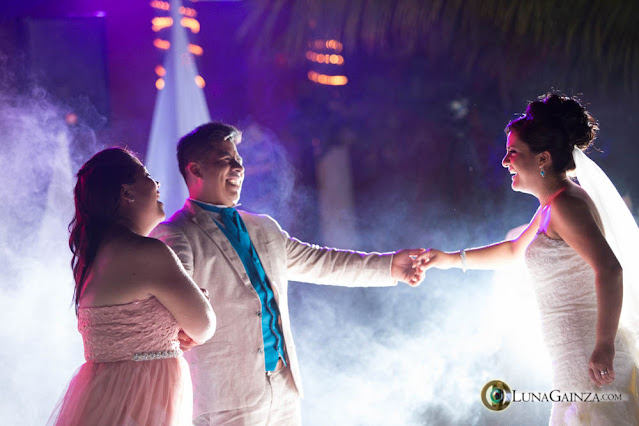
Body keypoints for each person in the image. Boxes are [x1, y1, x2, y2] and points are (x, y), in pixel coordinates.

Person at [150, 122, 426, 425]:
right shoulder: (176, 233)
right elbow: (171, 303)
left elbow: (323, 262)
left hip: (285, 391)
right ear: (196, 169)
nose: (238, 167)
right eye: (226, 159)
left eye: (239, 160)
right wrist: (178, 328)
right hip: (226, 400)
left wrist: (389, 267)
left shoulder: (264, 227)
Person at [415, 93, 639, 425]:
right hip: (573, 361)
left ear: (543, 158)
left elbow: (609, 269)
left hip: (590, 360)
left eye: (513, 153)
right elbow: (512, 251)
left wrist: (603, 343)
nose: (505, 162)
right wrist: (448, 259)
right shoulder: (552, 205)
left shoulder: (566, 205)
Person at [49, 147, 216, 425]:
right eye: (147, 175)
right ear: (127, 192)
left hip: (101, 396)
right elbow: (203, 325)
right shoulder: (148, 252)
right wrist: (194, 304)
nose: (157, 184)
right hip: (143, 399)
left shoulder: (93, 260)